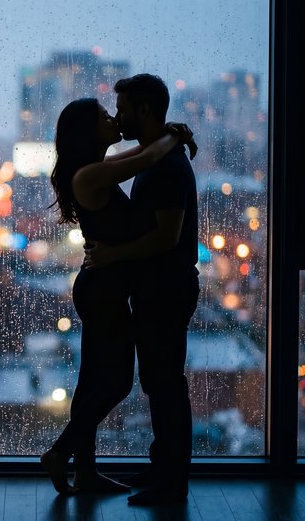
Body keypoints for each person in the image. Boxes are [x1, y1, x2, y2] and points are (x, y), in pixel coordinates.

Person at [40, 96, 196, 495]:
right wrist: (174, 135)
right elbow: (147, 158)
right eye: (104, 116)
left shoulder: (97, 169)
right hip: (103, 293)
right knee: (117, 383)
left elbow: (141, 155)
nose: (113, 118)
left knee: (93, 380)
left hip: (102, 288)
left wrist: (168, 135)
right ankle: (60, 452)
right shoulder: (89, 176)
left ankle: (86, 472)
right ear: (88, 132)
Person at [86, 74, 200, 506]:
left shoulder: (166, 168)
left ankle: (172, 482)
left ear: (145, 111)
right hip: (159, 288)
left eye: (123, 109)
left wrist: (113, 255)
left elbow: (167, 237)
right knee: (160, 382)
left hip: (166, 289)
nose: (118, 117)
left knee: (166, 384)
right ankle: (163, 468)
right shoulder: (158, 158)